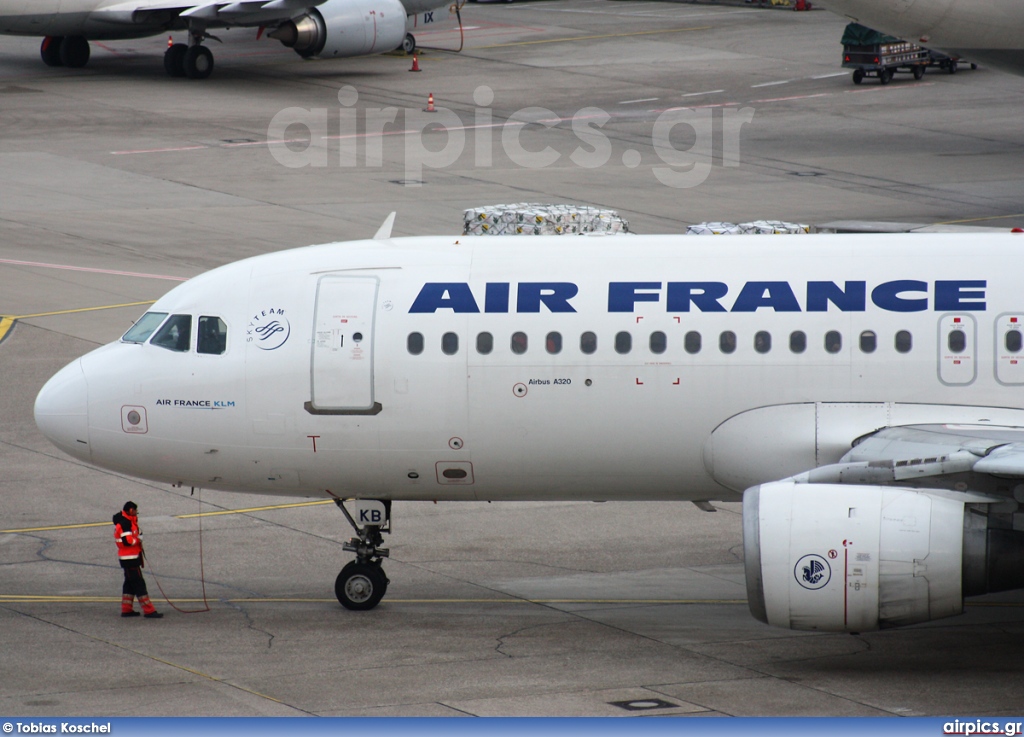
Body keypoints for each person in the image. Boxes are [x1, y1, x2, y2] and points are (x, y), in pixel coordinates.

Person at [113, 501, 162, 619]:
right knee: (139, 583)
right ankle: (149, 610)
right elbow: (127, 541)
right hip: (130, 558)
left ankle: (126, 609)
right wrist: (137, 541)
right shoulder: (125, 523)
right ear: (130, 510)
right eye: (135, 511)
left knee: (129, 584)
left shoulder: (130, 521)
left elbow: (136, 532)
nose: (136, 513)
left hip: (130, 558)